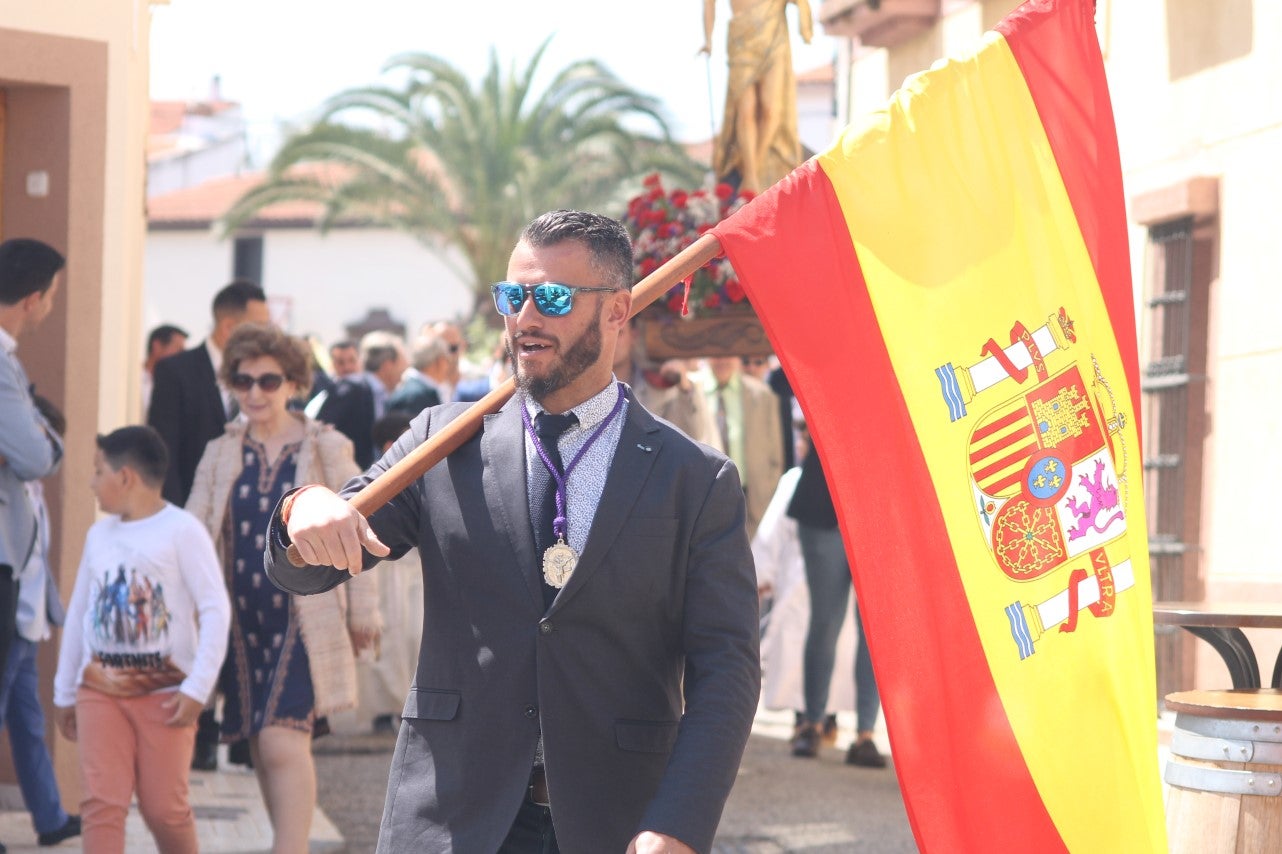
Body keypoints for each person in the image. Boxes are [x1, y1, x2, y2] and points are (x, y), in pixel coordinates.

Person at [267, 210, 760, 853]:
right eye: (511, 296)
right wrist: (302, 508)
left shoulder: (695, 478)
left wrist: (679, 823)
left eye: (551, 298)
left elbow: (727, 670)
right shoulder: (440, 443)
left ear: (617, 310)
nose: (524, 318)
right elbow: (314, 558)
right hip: (452, 820)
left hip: (616, 825)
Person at [185, 323, 380, 852]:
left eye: (268, 381)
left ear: (293, 382)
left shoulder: (327, 445)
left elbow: (361, 530)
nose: (254, 393)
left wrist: (363, 613)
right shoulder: (220, 450)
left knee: (280, 739)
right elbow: (193, 530)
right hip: (240, 619)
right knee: (260, 741)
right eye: (243, 381)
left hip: (305, 616)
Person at [52, 426, 231, 853]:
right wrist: (64, 691)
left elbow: (215, 609)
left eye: (98, 472)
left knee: (164, 808)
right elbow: (79, 614)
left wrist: (198, 687)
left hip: (166, 696)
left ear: (125, 476)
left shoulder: (183, 531)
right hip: (99, 690)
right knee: (101, 804)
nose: (92, 483)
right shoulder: (98, 536)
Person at [147, 277, 268, 770]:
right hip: (194, 521)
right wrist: (178, 526)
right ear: (229, 324)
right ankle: (198, 736)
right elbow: (166, 452)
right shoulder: (177, 371)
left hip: (251, 527)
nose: (267, 334)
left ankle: (243, 733)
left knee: (248, 621)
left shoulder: (265, 376)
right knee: (197, 623)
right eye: (258, 323)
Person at [0, 245, 66, 850]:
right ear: (33, 298)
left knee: (24, 706)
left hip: (16, 572)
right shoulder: (2, 361)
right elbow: (36, 454)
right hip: (3, 566)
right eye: (52, 296)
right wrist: (41, 438)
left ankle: (48, 817)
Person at [0, 397, 80, 848]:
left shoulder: (32, 489)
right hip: (8, 619)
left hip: (27, 623)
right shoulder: (8, 484)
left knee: (29, 725)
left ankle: (50, 819)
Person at [786, 441, 886, 767]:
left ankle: (865, 735)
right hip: (824, 503)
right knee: (825, 621)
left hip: (881, 509)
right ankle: (812, 724)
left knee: (874, 628)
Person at [701, 0, 813, 193]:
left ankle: (754, 171)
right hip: (741, 36)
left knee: (772, 109)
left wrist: (804, 23)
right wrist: (708, 39)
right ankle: (751, 174)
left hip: (772, 31)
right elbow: (709, 3)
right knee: (746, 110)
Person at [356, 411, 422, 735]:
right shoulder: (374, 479)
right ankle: (386, 709)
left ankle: (411, 705)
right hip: (385, 569)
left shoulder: (426, 472)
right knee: (391, 636)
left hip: (417, 569)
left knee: (415, 635)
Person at [700, 356, 784, 539]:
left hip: (752, 501)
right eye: (716, 353)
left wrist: (767, 492)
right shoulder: (692, 391)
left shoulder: (761, 394)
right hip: (705, 502)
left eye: (728, 353)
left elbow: (775, 454)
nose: (722, 360)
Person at [612, 317, 720, 446]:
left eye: (620, 333)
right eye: (609, 331)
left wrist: (684, 387)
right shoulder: (590, 390)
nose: (612, 340)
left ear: (633, 335)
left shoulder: (659, 390)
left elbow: (693, 434)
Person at [385, 331, 448, 415]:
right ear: (440, 361)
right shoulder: (414, 396)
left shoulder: (419, 391)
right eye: (447, 359)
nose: (448, 366)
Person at [359, 331, 409, 420]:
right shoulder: (357, 393)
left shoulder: (383, 395)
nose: (404, 370)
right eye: (401, 363)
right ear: (388, 365)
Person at [141, 324, 188, 416]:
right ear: (157, 346)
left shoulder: (176, 387)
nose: (183, 357)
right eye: (179, 350)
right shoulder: (131, 381)